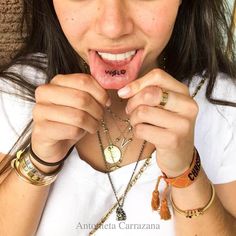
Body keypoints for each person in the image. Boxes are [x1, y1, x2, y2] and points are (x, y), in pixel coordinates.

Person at [0, 0, 236, 235]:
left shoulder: (226, 109)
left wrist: (186, 172)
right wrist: (40, 160)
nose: (113, 28)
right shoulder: (17, 94)